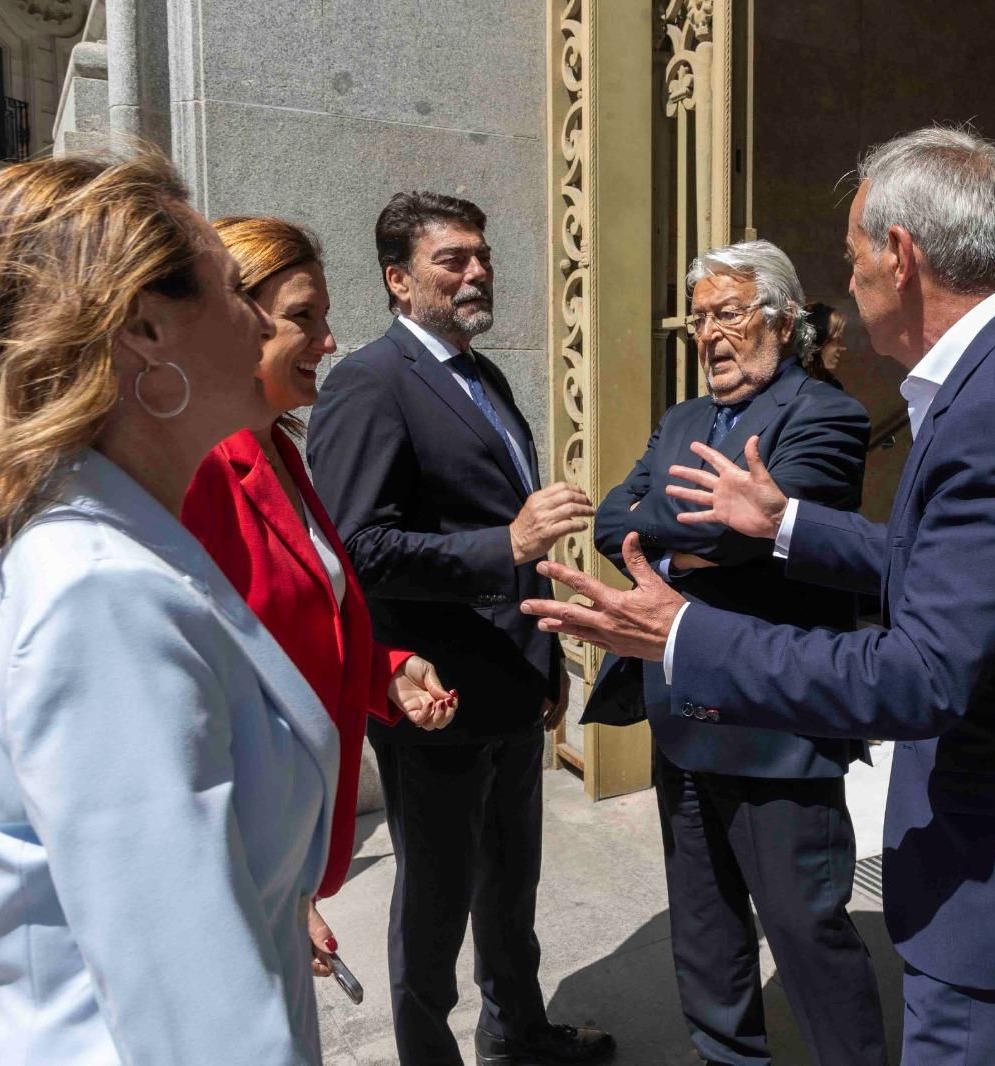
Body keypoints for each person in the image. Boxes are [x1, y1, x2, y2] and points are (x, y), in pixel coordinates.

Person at [520, 126, 995, 1066]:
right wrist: (788, 522)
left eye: (853, 255)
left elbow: (923, 671)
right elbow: (960, 573)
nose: (854, 280)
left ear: (900, 254)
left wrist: (685, 632)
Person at [0, 153, 445, 1063]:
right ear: (145, 328)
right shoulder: (96, 592)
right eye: (231, 291)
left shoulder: (103, 546)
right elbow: (202, 1028)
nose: (260, 321)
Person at [306, 191, 612, 1066]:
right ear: (400, 281)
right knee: (435, 905)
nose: (477, 271)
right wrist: (506, 541)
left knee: (511, 891)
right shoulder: (371, 381)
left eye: (481, 255)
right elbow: (356, 547)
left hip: (511, 690)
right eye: (453, 260)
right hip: (431, 698)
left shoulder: (485, 377)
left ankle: (518, 1034)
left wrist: (546, 660)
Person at [588, 239, 883, 1066]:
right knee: (705, 925)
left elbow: (753, 538)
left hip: (774, 720)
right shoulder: (683, 419)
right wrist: (691, 540)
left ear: (782, 323)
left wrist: (678, 535)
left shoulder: (826, 414)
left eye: (729, 313)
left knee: (806, 932)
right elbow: (614, 521)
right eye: (699, 319)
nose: (710, 335)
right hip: (680, 710)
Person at [180, 215, 458, 978]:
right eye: (305, 317)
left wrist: (384, 671)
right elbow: (201, 695)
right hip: (235, 876)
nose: (329, 342)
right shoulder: (197, 469)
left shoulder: (276, 446)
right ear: (229, 319)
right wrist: (258, 884)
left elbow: (295, 626)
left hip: (285, 862)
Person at [801, 302, 849, 388]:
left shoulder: (832, 386)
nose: (843, 348)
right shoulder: (795, 387)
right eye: (837, 340)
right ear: (817, 340)